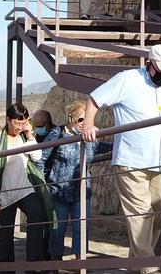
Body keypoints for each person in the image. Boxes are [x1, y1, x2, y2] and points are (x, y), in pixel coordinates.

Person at [82, 44, 161, 273]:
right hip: (130, 160)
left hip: (158, 163)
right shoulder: (127, 79)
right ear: (149, 64)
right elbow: (94, 99)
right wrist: (89, 124)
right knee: (141, 215)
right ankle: (149, 268)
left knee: (157, 217)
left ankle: (137, 265)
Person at [0, 102, 54, 272]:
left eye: (22, 123)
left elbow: (37, 156)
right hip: (5, 193)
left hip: (25, 188)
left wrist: (30, 134)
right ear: (8, 120)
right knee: (6, 235)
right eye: (16, 123)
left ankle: (33, 263)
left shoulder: (24, 137)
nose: (18, 127)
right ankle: (6, 269)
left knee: (37, 215)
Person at [40, 101, 111, 259]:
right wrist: (40, 184)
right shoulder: (57, 134)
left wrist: (120, 144)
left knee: (81, 227)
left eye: (86, 120)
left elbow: (98, 147)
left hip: (82, 190)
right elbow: (42, 157)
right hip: (59, 191)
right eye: (80, 120)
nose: (83, 124)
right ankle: (55, 262)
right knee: (58, 228)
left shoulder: (88, 135)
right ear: (71, 118)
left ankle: (81, 263)